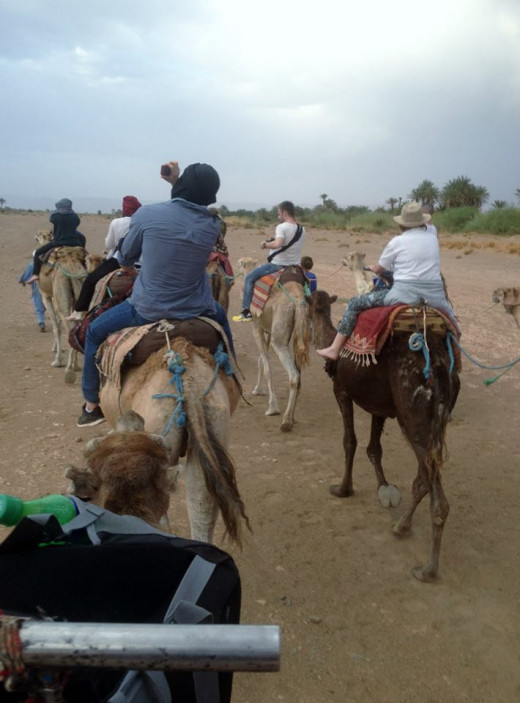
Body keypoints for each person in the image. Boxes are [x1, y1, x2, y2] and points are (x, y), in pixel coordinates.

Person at [77, 161, 235, 428]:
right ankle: (231, 373)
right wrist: (178, 183)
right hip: (198, 308)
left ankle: (92, 403)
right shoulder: (212, 225)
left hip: (146, 309)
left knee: (93, 332)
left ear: (182, 185)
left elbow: (126, 256)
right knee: (222, 320)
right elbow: (193, 211)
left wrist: (129, 267)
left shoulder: (146, 215)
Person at [317, 201, 458, 360]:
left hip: (404, 294)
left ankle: (334, 349)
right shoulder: (432, 237)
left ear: (402, 224)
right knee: (453, 321)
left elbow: (379, 270)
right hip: (434, 295)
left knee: (355, 303)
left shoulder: (397, 241)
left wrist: (371, 267)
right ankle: (456, 347)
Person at [66, 196, 142, 320]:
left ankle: (80, 310)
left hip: (120, 260)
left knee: (91, 279)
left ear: (124, 208)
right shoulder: (141, 221)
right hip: (142, 262)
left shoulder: (117, 222)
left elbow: (109, 245)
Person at [232, 201, 305, 321]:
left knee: (249, 278)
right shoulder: (302, 229)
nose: (278, 217)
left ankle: (246, 312)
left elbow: (278, 243)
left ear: (284, 213)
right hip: (295, 267)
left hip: (277, 265)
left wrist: (265, 244)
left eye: (279, 214)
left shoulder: (282, 227)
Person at [27, 199, 84, 283]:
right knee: (86, 256)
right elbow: (75, 225)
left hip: (58, 242)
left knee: (37, 253)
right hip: (75, 243)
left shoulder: (55, 215)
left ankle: (35, 274)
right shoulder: (75, 216)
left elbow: (53, 225)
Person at [18, 260, 46, 331]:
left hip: (37, 286)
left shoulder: (32, 265)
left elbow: (25, 276)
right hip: (50, 287)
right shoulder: (49, 263)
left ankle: (41, 322)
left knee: (38, 304)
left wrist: (21, 280)